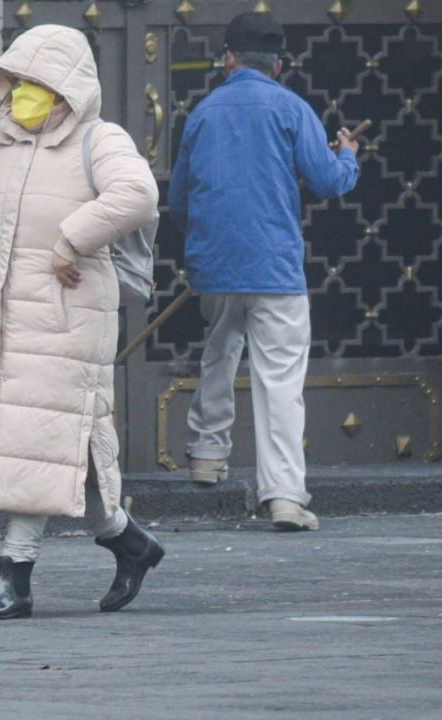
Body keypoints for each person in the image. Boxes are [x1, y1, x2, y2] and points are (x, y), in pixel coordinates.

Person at [0, 26, 164, 620]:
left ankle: (14, 580)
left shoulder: (99, 139)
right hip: (10, 319)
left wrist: (70, 238)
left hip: (68, 315)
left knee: (30, 441)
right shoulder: (3, 142)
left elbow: (137, 193)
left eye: (38, 84)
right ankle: (129, 541)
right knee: (54, 446)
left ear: (67, 89)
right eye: (18, 83)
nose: (24, 96)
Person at [168, 13, 360, 532]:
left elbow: (179, 198)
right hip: (274, 268)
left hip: (216, 264)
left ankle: (207, 455)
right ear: (277, 63)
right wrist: (349, 156)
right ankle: (284, 498)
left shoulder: (203, 112)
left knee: (219, 353)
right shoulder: (292, 108)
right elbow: (327, 182)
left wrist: (207, 244)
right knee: (279, 382)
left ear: (228, 58)